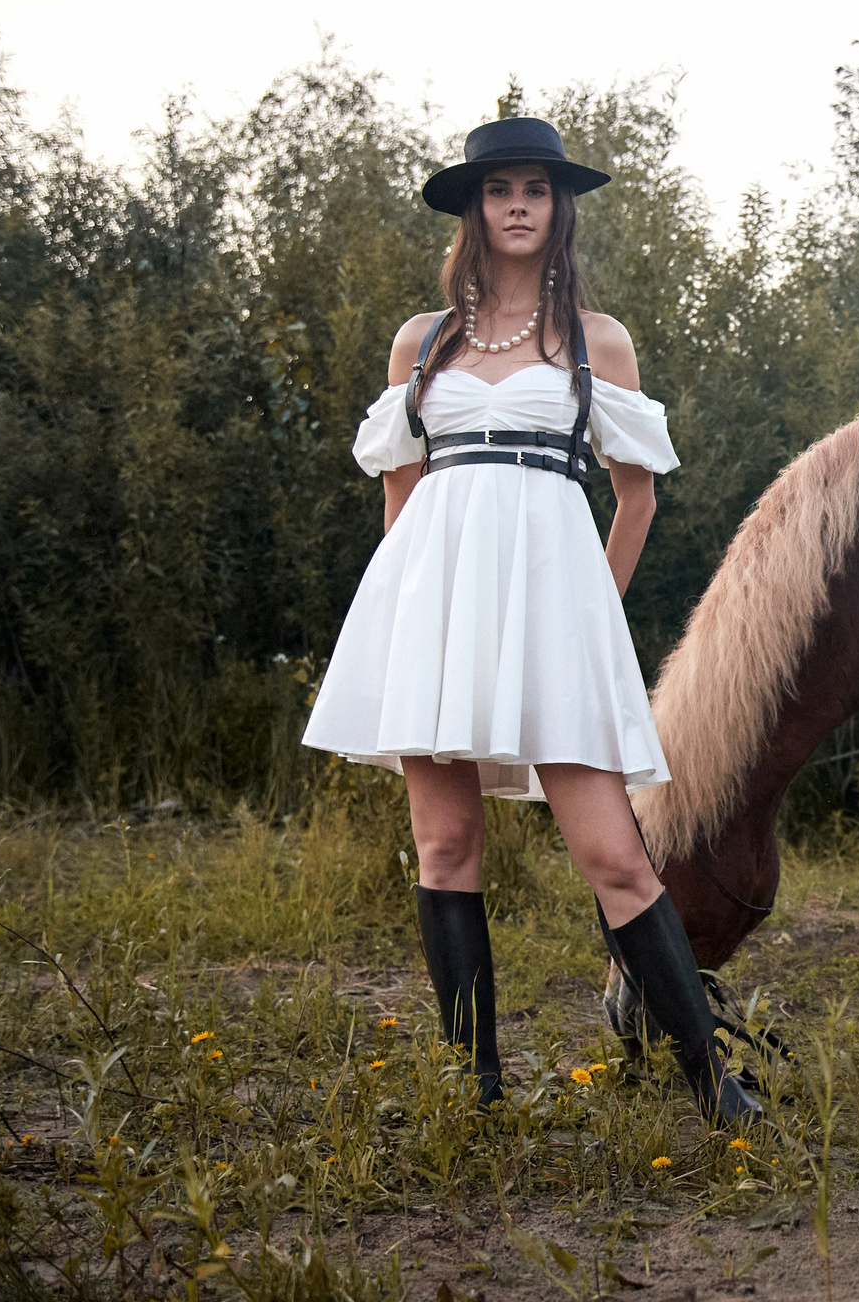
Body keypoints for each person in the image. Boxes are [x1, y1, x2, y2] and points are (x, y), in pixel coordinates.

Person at [301, 116, 760, 1123]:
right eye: (500, 188)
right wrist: (401, 622)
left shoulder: (598, 343)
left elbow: (635, 498)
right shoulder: (421, 343)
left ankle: (710, 1084)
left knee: (613, 855)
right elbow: (402, 497)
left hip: (551, 614)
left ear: (559, 211)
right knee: (445, 848)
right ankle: (476, 1092)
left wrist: (586, 614)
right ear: (475, 207)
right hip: (434, 610)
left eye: (536, 190)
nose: (518, 204)